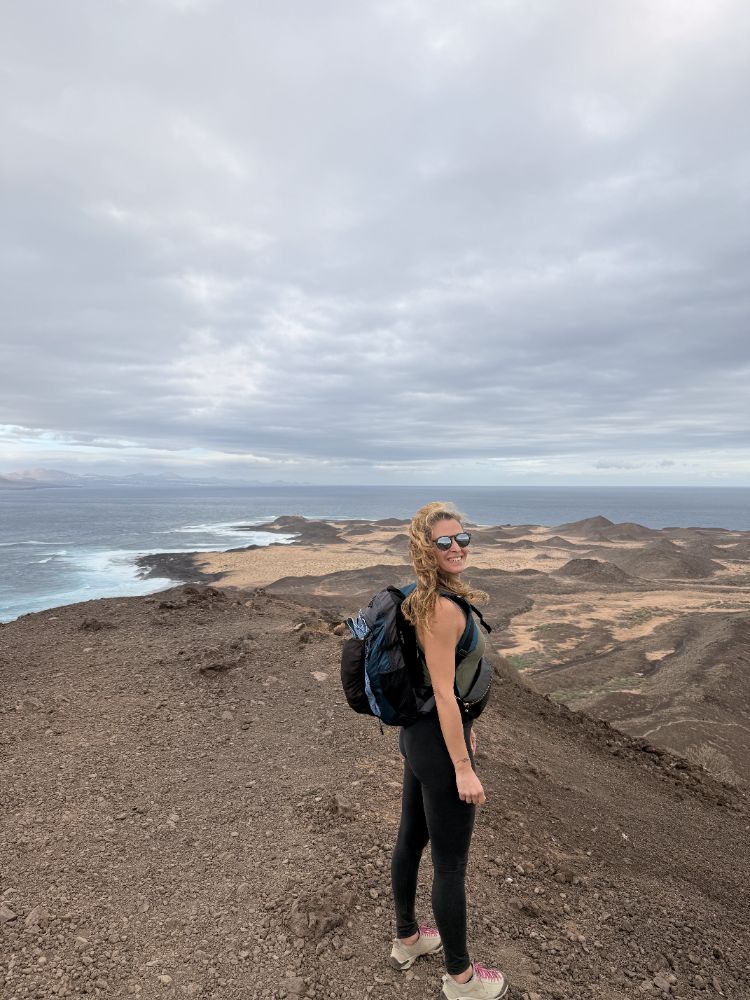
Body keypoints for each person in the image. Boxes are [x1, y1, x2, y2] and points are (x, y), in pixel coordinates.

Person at [388, 502, 509, 1000]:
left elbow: (446, 691)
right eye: (444, 541)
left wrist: (465, 729)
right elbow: (443, 691)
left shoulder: (424, 595)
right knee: (450, 863)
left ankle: (408, 939)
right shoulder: (439, 608)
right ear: (426, 548)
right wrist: (462, 765)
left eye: (462, 538)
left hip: (421, 738)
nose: (456, 547)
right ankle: (461, 980)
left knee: (411, 838)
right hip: (437, 747)